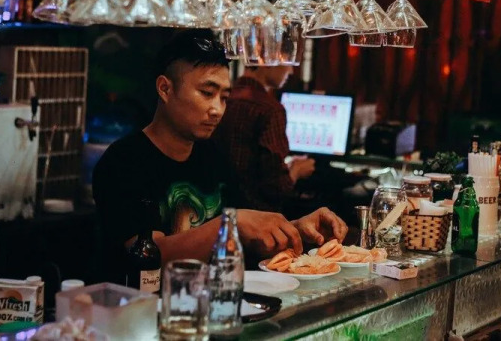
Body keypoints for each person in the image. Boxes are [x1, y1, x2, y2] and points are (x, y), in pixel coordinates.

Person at [92, 29, 347, 282]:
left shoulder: (212, 155)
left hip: (213, 299)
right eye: (207, 93)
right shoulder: (124, 161)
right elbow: (151, 255)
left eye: (224, 97)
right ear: (165, 88)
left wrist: (296, 231)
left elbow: (245, 238)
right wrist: (231, 223)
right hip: (146, 304)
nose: (217, 109)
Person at [213, 65, 316, 213]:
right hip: (256, 217)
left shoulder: (225, 98)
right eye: (287, 61)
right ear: (267, 59)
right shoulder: (270, 109)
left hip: (219, 212)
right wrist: (297, 170)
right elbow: (277, 188)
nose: (291, 70)